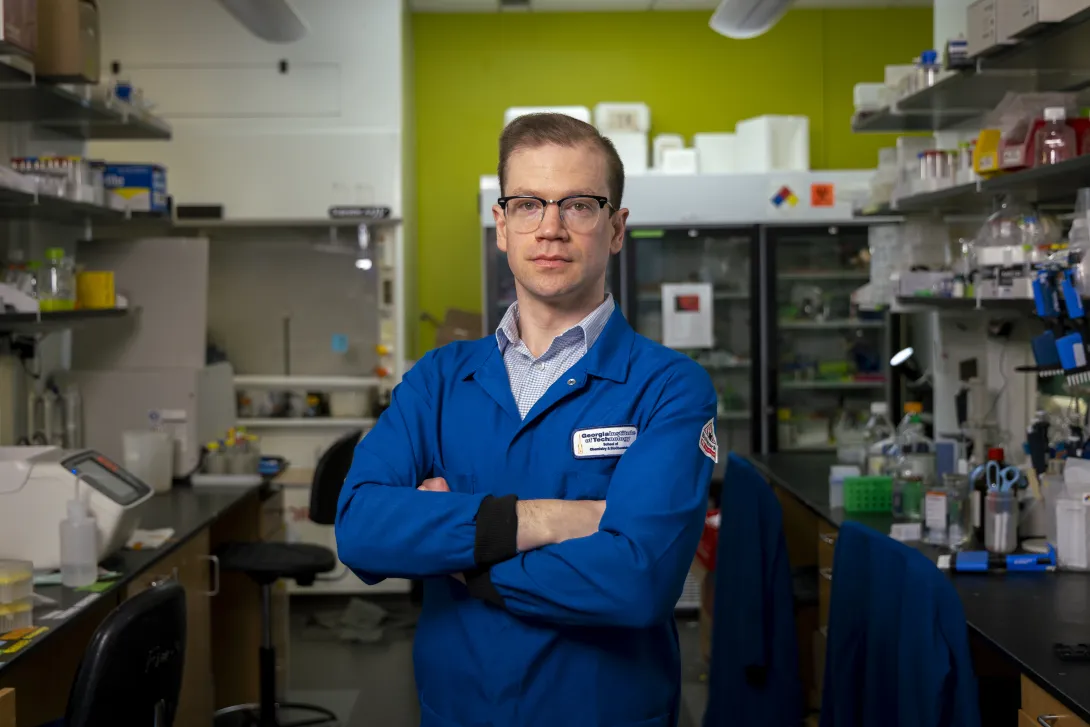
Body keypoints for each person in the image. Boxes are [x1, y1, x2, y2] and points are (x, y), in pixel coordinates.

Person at [335, 112, 718, 727]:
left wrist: (457, 553)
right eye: (527, 205)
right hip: (461, 711)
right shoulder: (437, 381)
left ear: (616, 229)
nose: (551, 229)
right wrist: (548, 520)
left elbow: (637, 583)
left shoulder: (669, 388)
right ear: (502, 226)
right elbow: (359, 529)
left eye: (580, 206)